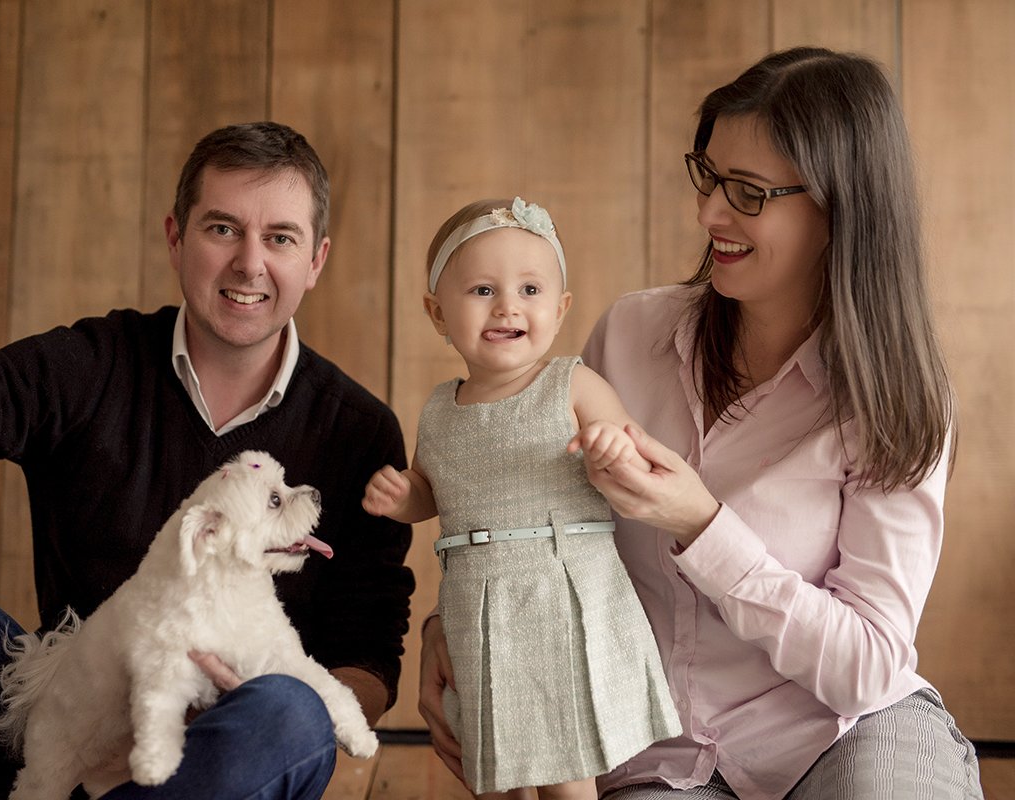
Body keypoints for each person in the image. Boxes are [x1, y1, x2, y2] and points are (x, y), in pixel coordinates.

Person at [421, 48, 984, 800]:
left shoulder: (897, 397)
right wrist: (448, 628)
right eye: (710, 176)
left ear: (840, 207)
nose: (709, 213)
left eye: (748, 193)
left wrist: (704, 526)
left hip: (842, 731)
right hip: (656, 745)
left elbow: (869, 667)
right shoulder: (629, 336)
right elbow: (518, 501)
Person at [0, 121, 415, 800]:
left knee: (296, 715)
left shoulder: (360, 432)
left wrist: (238, 696)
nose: (250, 263)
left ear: (315, 260)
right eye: (222, 229)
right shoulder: (88, 366)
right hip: (62, 724)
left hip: (208, 761)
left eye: (280, 237)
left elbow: (367, 663)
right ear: (175, 239)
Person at [363, 198, 679, 800]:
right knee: (496, 763)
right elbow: (433, 489)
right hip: (478, 601)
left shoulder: (573, 385)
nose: (508, 306)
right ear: (437, 313)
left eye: (530, 289)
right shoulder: (439, 409)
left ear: (559, 311)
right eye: (482, 290)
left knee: (565, 764)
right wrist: (405, 495)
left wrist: (611, 446)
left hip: (559, 594)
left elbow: (636, 463)